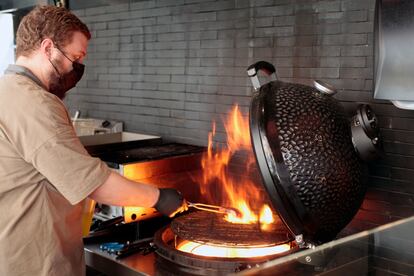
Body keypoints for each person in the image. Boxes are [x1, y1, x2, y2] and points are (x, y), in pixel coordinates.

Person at [0, 5, 187, 276]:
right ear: (48, 47)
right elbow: (93, 183)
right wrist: (160, 198)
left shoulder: (6, 91)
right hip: (36, 262)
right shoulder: (33, 102)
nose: (76, 69)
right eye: (74, 58)